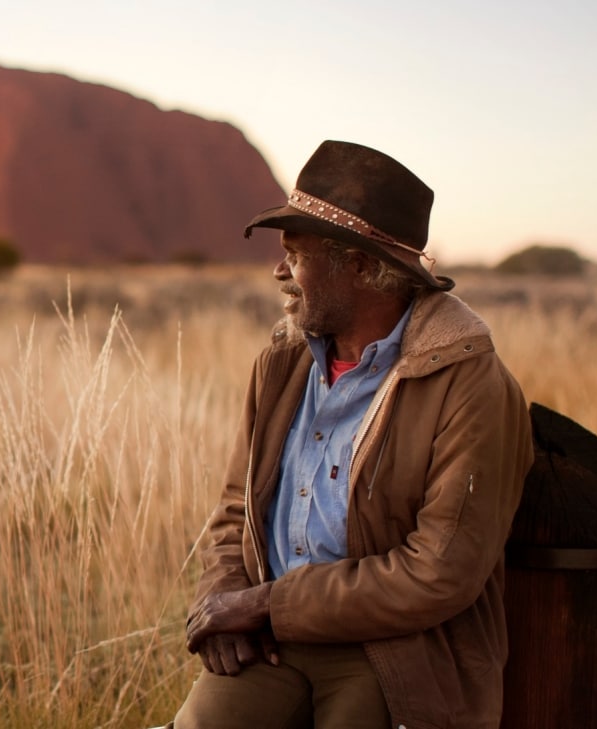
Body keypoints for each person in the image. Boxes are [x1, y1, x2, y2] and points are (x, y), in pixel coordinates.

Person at [170, 141, 533, 729]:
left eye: (296, 253)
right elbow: (237, 509)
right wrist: (223, 597)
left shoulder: (469, 383)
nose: (279, 271)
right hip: (269, 640)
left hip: (396, 648)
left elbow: (440, 572)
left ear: (362, 267)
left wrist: (264, 604)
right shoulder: (282, 365)